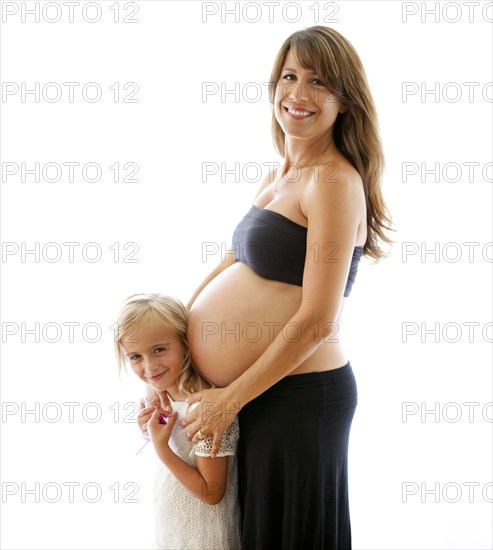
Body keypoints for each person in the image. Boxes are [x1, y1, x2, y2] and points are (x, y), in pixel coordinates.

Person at [181, 25, 394, 550]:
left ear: (345, 101)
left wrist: (229, 399)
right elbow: (231, 261)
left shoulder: (333, 183)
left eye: (319, 81)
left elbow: (320, 317)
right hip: (259, 392)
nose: (298, 94)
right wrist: (177, 350)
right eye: (290, 76)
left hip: (299, 399)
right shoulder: (281, 175)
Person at [114, 293, 241, 550]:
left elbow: (212, 492)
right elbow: (177, 445)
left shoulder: (203, 410)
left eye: (159, 350)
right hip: (172, 526)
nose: (149, 367)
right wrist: (147, 430)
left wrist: (161, 449)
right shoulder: (160, 395)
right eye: (135, 356)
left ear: (185, 343)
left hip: (204, 535)